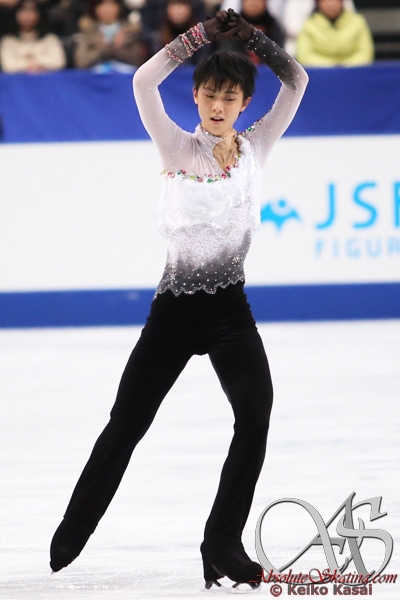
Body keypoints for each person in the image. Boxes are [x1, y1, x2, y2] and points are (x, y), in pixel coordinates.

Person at [49, 8, 308, 590]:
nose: (218, 105)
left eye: (229, 97)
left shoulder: (257, 147)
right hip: (173, 313)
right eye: (210, 94)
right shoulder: (176, 147)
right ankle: (75, 526)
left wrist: (256, 38)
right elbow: (144, 82)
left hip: (229, 312)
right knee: (127, 422)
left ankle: (221, 540)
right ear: (196, 96)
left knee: (255, 415)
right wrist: (198, 36)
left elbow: (297, 81)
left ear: (244, 103)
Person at [296, 0, 374, 67]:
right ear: (318, 3)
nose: (331, 4)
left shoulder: (358, 22)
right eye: (326, 1)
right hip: (320, 74)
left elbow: (365, 53)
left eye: (336, 0)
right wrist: (332, 66)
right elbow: (304, 55)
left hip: (354, 73)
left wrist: (345, 66)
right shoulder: (309, 24)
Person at [74, 0, 146, 71]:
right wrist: (101, 48)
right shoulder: (88, 33)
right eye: (102, 5)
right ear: (96, 9)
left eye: (110, 5)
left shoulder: (130, 31)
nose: (107, 10)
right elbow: (81, 62)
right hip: (95, 75)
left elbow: (139, 60)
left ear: (118, 7)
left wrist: (119, 48)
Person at [0, 0, 66, 73]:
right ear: (16, 14)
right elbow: (8, 65)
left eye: (32, 10)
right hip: (17, 79)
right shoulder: (8, 41)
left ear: (39, 14)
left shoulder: (50, 39)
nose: (28, 15)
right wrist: (29, 65)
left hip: (46, 79)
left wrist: (36, 64)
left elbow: (58, 62)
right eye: (23, 10)